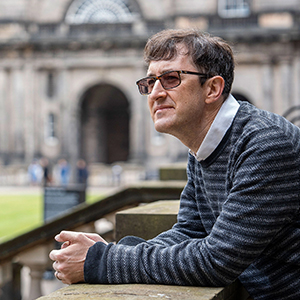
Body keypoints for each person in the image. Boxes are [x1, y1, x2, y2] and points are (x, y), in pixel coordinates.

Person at [49, 29, 300, 300]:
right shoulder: (203, 146)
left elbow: (216, 261)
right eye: (149, 82)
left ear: (213, 88)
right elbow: (190, 231)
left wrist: (102, 261)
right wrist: (117, 252)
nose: (155, 93)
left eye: (170, 79)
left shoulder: (266, 143)